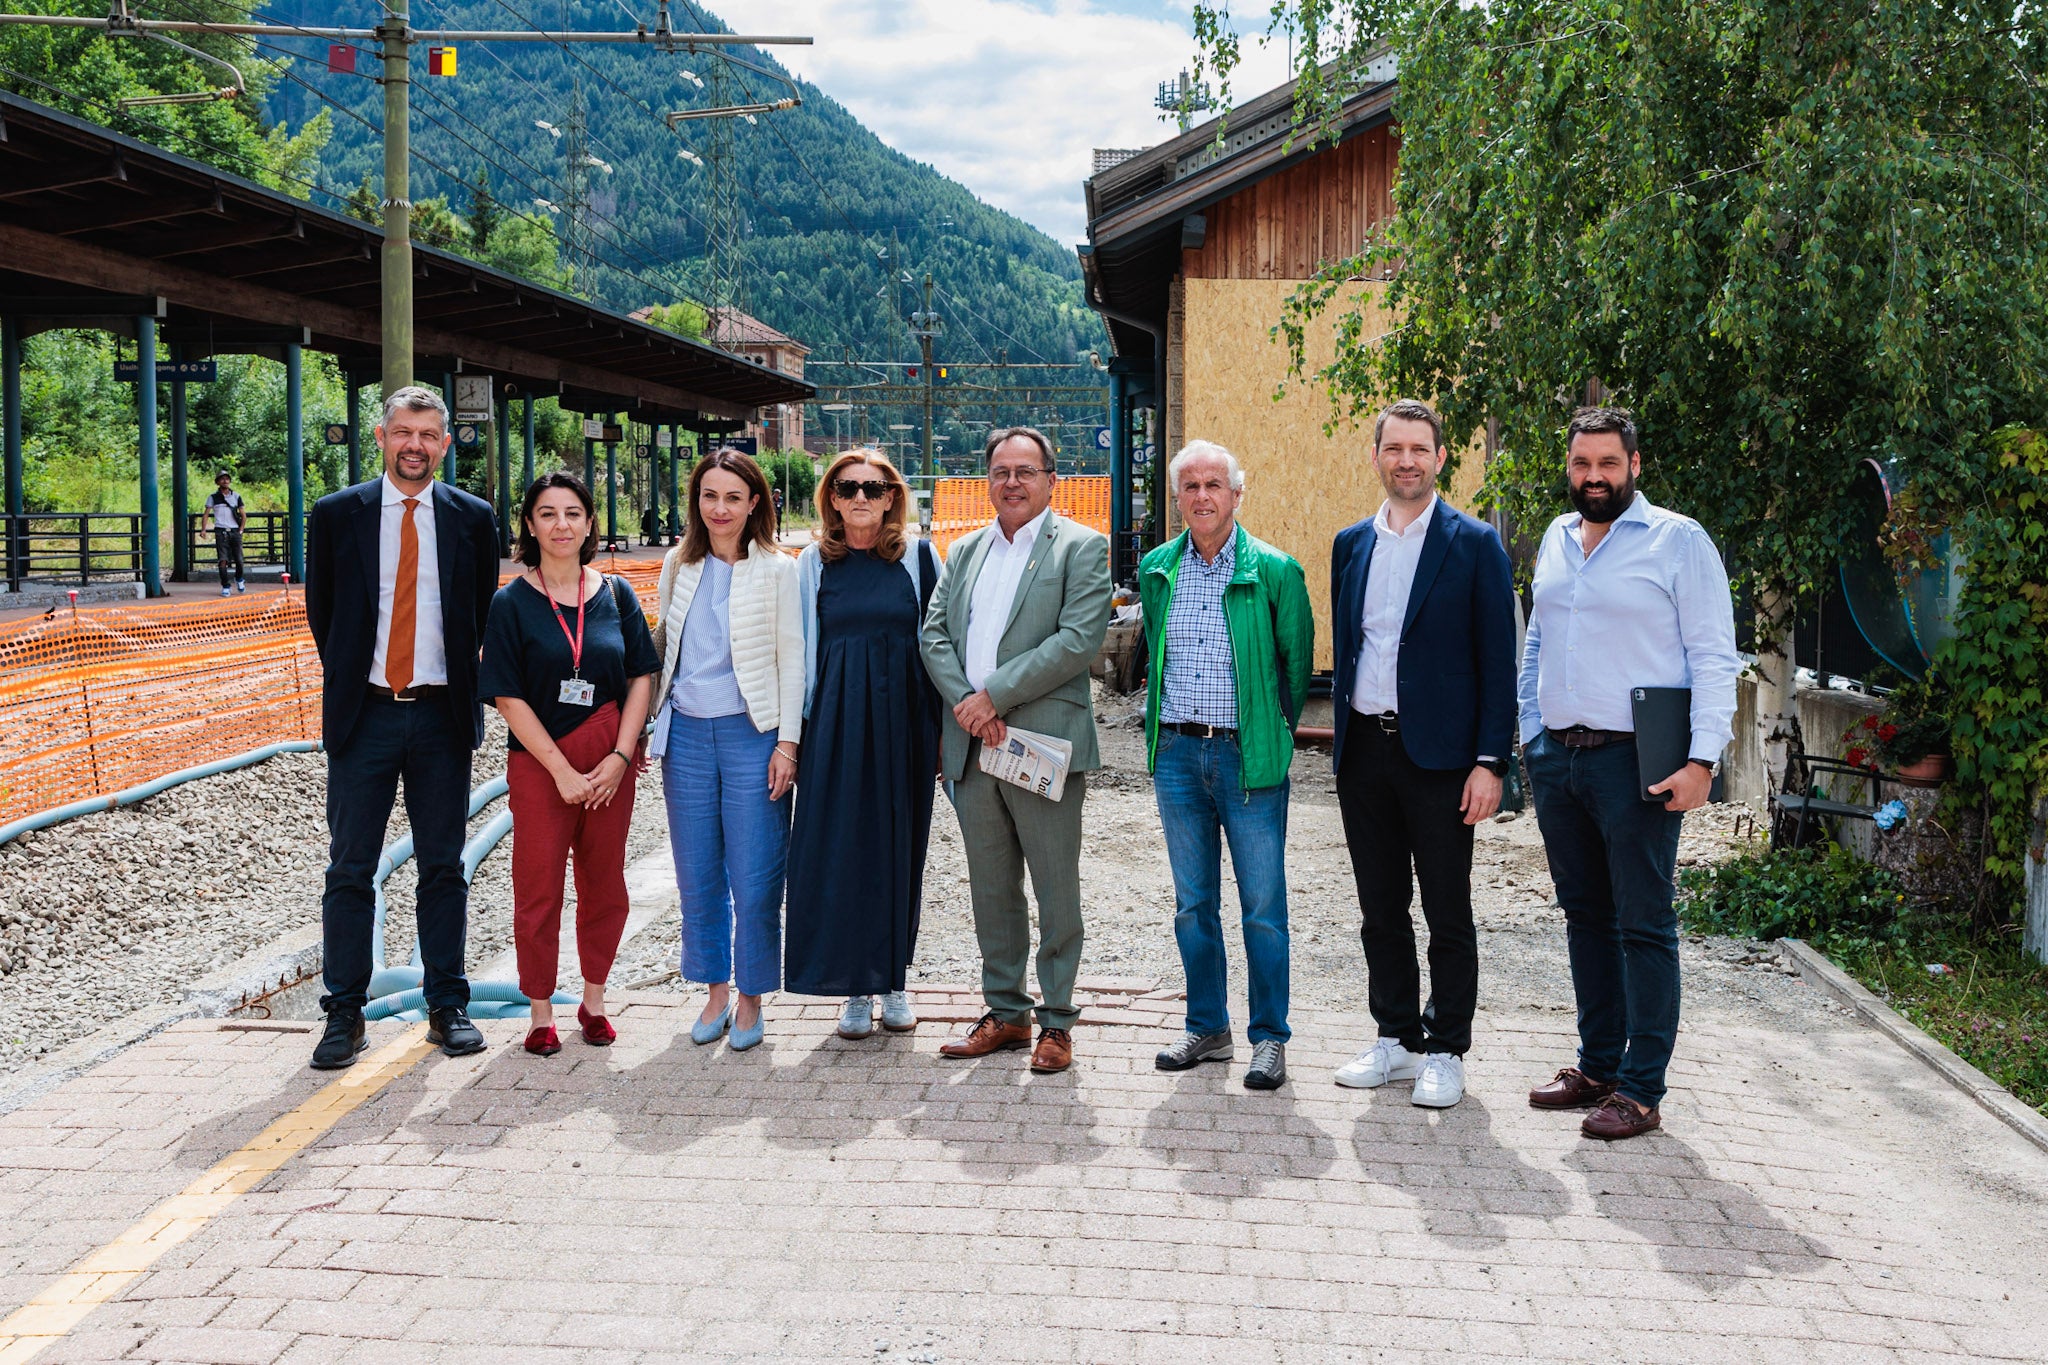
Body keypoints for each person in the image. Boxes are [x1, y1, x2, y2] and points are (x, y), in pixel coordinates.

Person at [1520, 406, 1739, 1140]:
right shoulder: (1556, 537)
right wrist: (1531, 732)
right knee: (1586, 917)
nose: (1594, 477)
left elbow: (1713, 655)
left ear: (1634, 466)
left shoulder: (1678, 540)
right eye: (1582, 464)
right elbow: (1538, 640)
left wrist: (1702, 760)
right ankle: (1597, 1066)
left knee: (1643, 924)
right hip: (1559, 758)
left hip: (1636, 762)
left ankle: (1641, 1090)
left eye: (1608, 464)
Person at [1327, 400, 1517, 1109]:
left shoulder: (1475, 544)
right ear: (1376, 456)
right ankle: (1397, 1038)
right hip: (1364, 752)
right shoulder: (1351, 544)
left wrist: (1491, 761)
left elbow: (1498, 663)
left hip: (1442, 761)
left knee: (1447, 909)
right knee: (1380, 908)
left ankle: (1446, 1048)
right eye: (1394, 448)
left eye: (1419, 449)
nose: (1405, 460)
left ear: (1440, 458)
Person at [304, 386, 499, 1069]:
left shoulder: (473, 519)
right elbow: (325, 613)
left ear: (444, 444)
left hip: (442, 715)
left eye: (427, 435)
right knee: (351, 867)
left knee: (443, 865)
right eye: (403, 432)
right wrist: (360, 682)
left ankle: (446, 1005)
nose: (414, 445)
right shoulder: (338, 515)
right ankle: (344, 1012)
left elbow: (478, 612)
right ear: (381, 437)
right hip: (365, 715)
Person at [921, 426, 1113, 1074]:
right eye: (1001, 471)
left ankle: (1057, 1022)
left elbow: (1078, 639)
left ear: (1051, 480)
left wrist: (993, 696)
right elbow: (934, 635)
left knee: (1056, 890)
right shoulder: (965, 550)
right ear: (988, 480)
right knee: (991, 888)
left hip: (1040, 745)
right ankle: (1006, 1012)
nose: (1012, 482)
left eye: (1025, 471)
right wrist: (968, 705)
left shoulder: (1082, 547)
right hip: (973, 746)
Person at [1140, 441, 1313, 1091]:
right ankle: (1207, 1027)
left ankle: (1269, 1038)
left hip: (1248, 757)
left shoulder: (1275, 571)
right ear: (1178, 498)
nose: (1202, 496)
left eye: (1214, 484)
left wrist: (1267, 732)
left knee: (1262, 907)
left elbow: (1295, 671)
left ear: (1237, 495)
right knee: (1193, 904)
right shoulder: (1158, 568)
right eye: (1190, 486)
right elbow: (1156, 653)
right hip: (1178, 756)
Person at [478, 472, 659, 1057]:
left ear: (589, 523)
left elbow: (641, 676)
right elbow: (507, 695)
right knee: (538, 887)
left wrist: (621, 756)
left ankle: (595, 1001)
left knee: (605, 884)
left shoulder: (618, 594)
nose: (562, 525)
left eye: (573, 513)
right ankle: (539, 1011)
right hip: (541, 763)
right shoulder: (510, 602)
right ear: (530, 526)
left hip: (609, 761)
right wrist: (559, 771)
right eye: (548, 514)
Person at [649, 449, 803, 1053]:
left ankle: (751, 997)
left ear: (755, 502)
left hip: (752, 734)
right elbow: (665, 649)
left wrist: (786, 743)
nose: (720, 508)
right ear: (697, 502)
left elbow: (793, 659)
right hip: (686, 734)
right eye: (710, 496)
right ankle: (714, 990)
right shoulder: (678, 563)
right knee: (697, 872)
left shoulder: (779, 569)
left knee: (757, 875)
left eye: (733, 497)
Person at [786, 449, 943, 1038]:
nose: (860, 498)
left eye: (873, 489)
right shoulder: (812, 564)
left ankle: (894, 979)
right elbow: (798, 652)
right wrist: (795, 736)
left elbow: (941, 646)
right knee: (842, 850)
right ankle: (854, 986)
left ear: (891, 498)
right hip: (835, 724)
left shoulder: (919, 559)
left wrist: (944, 733)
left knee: (901, 849)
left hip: (905, 723)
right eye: (848, 487)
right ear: (831, 497)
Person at [205, 470, 247, 596]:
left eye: (227, 479)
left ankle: (239, 578)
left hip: (235, 530)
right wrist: (203, 529)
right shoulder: (213, 497)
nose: (225, 481)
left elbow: (243, 514)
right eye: (222, 479)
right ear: (217, 482)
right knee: (223, 560)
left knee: (239, 559)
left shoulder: (236, 496)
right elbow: (206, 514)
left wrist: (241, 529)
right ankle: (225, 585)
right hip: (221, 531)